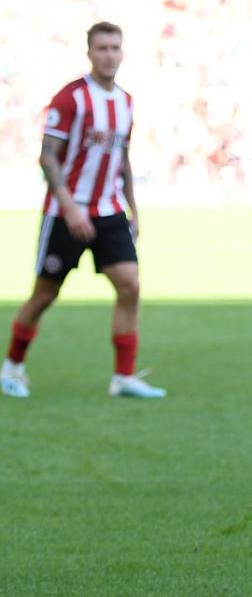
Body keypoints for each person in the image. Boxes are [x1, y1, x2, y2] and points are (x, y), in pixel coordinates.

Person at [2, 22, 166, 400]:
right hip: (66, 213)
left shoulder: (125, 102)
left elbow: (122, 160)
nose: (109, 54)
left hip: (109, 211)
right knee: (45, 294)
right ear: (89, 53)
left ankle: (123, 377)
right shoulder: (70, 98)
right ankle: (12, 366)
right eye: (102, 48)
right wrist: (70, 207)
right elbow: (48, 157)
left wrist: (133, 210)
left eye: (115, 48)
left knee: (130, 285)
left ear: (122, 53)